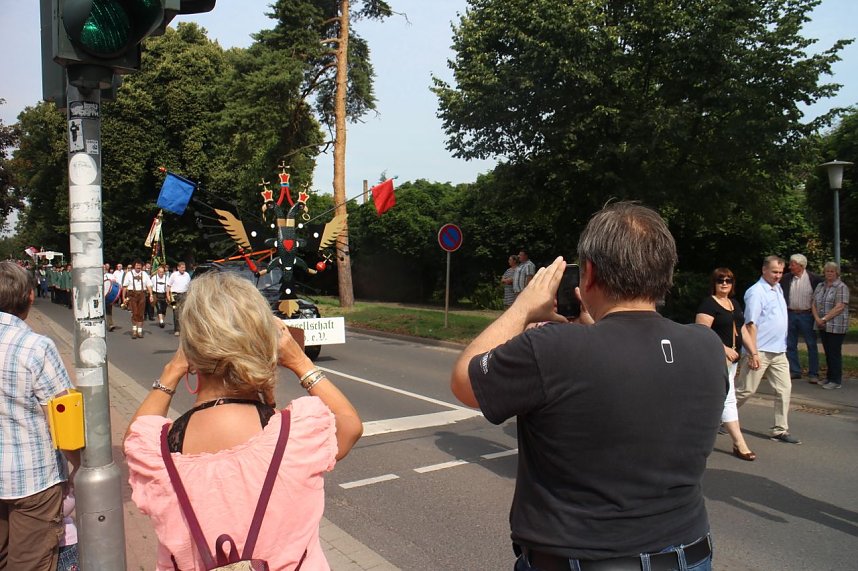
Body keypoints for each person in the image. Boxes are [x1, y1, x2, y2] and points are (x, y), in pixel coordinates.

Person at [451, 203, 725, 571]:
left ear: (589, 273)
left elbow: (465, 380)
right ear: (665, 272)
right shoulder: (706, 348)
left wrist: (523, 309)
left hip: (581, 558)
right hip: (688, 554)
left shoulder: (550, 348)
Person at [123, 271, 363, 570]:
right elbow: (350, 424)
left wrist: (173, 369)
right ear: (265, 348)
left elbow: (135, 437)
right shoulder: (296, 434)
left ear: (192, 351)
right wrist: (300, 362)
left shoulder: (157, 452)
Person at [0, 261, 79, 570]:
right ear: (30, 297)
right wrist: (80, 467)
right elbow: (64, 418)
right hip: (33, 480)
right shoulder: (35, 347)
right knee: (30, 562)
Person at [735, 255, 801, 444]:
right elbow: (750, 324)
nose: (778, 276)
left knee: (784, 389)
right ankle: (721, 417)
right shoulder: (756, 292)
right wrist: (752, 352)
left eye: (781, 272)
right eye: (774, 272)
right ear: (764, 270)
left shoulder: (777, 288)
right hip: (760, 350)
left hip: (779, 351)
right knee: (746, 390)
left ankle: (780, 430)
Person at [695, 268, 756, 461]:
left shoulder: (733, 303)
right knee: (727, 398)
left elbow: (743, 330)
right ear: (713, 283)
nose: (724, 283)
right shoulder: (708, 304)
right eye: (720, 280)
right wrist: (723, 348)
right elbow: (702, 333)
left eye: (728, 280)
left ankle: (690, 433)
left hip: (732, 361)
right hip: (715, 359)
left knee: (713, 399)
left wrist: (753, 352)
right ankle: (739, 443)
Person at [781, 254, 823, 382]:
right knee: (790, 344)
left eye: (792, 264)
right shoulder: (786, 278)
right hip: (790, 314)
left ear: (801, 265)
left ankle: (813, 373)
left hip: (807, 315)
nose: (790, 267)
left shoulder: (814, 279)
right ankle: (795, 370)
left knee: (811, 344)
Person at [812, 262, 850, 390]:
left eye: (832, 271)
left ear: (837, 273)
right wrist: (817, 318)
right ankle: (829, 377)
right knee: (827, 352)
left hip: (836, 325)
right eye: (827, 271)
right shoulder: (820, 286)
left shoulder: (841, 287)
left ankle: (836, 380)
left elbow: (840, 306)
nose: (829, 273)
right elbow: (813, 303)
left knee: (834, 353)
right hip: (822, 325)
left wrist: (824, 318)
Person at [122, 260, 154, 339]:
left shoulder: (144, 274)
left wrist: (151, 295)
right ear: (134, 266)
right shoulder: (129, 274)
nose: (138, 267)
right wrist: (123, 298)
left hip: (142, 295)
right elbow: (125, 287)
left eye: (140, 266)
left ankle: (140, 331)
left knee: (141, 313)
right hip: (132, 295)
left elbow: (149, 285)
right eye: (137, 265)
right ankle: (134, 331)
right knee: (135, 313)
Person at [167, 261, 191, 337]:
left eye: (184, 268)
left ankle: (183, 329)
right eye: (182, 268)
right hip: (174, 295)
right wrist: (168, 295)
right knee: (176, 312)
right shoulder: (174, 275)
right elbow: (168, 286)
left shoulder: (187, 275)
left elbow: (189, 285)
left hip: (184, 294)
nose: (183, 269)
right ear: (178, 268)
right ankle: (177, 330)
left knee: (184, 312)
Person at [151, 265, 169, 329]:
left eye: (162, 272)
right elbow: (150, 286)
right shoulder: (154, 278)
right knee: (159, 309)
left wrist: (168, 296)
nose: (161, 273)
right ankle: (161, 321)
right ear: (157, 272)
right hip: (156, 295)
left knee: (164, 310)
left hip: (164, 295)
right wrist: (151, 295)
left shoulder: (166, 278)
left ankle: (162, 320)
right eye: (160, 272)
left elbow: (168, 287)